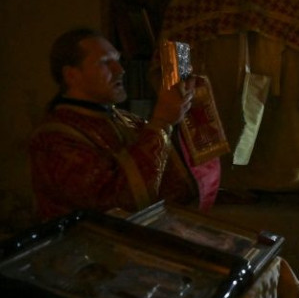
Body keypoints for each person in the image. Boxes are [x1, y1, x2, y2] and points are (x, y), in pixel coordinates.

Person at [28, 27, 221, 220]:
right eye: (105, 63)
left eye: (118, 61)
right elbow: (119, 201)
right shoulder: (54, 138)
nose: (120, 70)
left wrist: (186, 109)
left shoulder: (124, 119)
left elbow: (173, 178)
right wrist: (162, 121)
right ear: (71, 75)